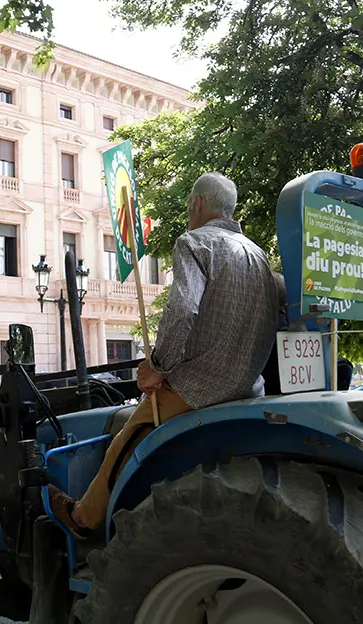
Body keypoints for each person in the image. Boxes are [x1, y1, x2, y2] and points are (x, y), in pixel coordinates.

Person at [48, 172, 280, 537]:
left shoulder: (195, 243)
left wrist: (157, 366)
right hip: (250, 386)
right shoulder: (259, 256)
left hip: (197, 388)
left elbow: (184, 308)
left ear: (197, 203)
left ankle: (83, 518)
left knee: (125, 442)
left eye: (190, 203)